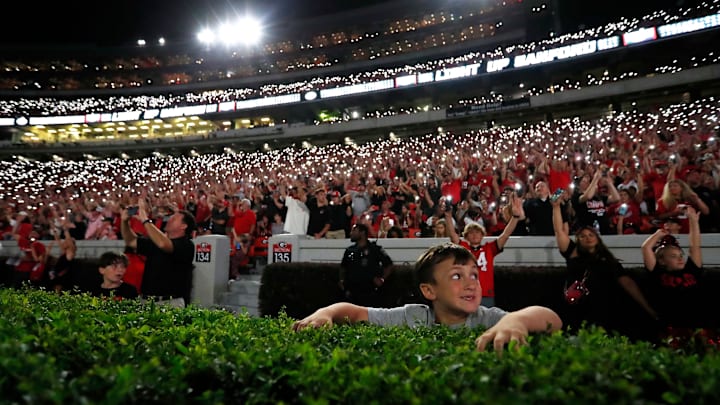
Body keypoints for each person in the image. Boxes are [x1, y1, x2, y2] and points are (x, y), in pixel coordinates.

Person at [293, 243, 562, 353]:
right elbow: (355, 312)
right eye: (457, 276)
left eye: (474, 275)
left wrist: (515, 322)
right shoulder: (414, 316)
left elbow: (552, 319)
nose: (470, 283)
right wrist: (325, 314)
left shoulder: (490, 319)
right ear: (429, 291)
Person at [551, 196, 659, 339]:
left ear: (597, 238)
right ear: (577, 241)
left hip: (604, 309)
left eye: (591, 235)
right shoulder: (572, 252)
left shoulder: (609, 260)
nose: (588, 237)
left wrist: (648, 308)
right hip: (576, 308)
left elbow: (627, 283)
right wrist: (556, 207)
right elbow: (559, 231)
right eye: (582, 236)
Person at [641, 206, 713, 333]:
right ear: (662, 261)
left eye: (681, 256)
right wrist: (658, 234)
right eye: (673, 256)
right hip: (671, 325)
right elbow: (646, 248)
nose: (680, 259)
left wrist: (693, 221)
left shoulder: (691, 270)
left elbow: (694, 246)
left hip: (697, 322)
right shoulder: (658, 273)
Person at [448, 191, 525, 307]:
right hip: (466, 293)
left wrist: (514, 217)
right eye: (471, 233)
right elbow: (453, 236)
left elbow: (505, 235)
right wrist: (448, 216)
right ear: (466, 236)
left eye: (478, 232)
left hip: (486, 294)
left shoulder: (489, 248)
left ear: (482, 235)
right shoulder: (463, 248)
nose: (474, 235)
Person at [121, 199, 196, 307]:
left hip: (170, 303)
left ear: (183, 226)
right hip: (146, 300)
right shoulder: (156, 241)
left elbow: (163, 244)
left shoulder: (187, 245)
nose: (169, 219)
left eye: (174, 218)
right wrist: (124, 222)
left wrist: (145, 219)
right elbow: (131, 241)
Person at [339, 223, 394, 307]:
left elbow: (389, 265)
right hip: (352, 292)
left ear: (362, 232)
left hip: (369, 292)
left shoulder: (374, 249)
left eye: (354, 230)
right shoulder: (350, 250)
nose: (351, 233)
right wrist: (342, 282)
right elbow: (343, 267)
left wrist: (382, 279)